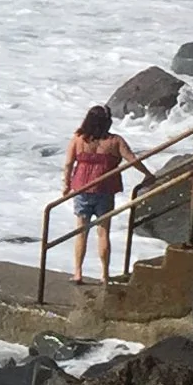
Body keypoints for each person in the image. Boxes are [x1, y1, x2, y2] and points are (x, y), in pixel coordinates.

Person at [63, 103, 147, 284]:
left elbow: (69, 163)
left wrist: (66, 185)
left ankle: (78, 273)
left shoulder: (78, 139)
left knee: (81, 232)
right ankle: (105, 275)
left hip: (82, 189)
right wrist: (148, 174)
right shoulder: (115, 141)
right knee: (103, 233)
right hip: (105, 190)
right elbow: (132, 159)